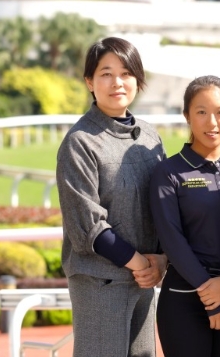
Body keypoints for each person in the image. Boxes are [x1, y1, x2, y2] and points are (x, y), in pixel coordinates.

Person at [57, 36, 168, 357]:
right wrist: (142, 264)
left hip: (144, 279)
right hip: (100, 282)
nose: (117, 82)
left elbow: (162, 208)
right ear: (89, 82)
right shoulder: (80, 142)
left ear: (137, 79)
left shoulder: (149, 136)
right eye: (106, 73)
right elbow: (88, 227)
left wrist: (161, 259)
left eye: (126, 73)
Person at [149, 76, 220, 357]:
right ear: (187, 115)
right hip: (184, 300)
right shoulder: (169, 173)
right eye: (201, 112)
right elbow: (172, 240)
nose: (212, 122)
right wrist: (209, 295)